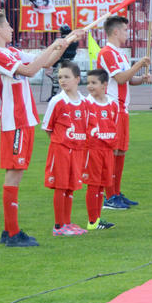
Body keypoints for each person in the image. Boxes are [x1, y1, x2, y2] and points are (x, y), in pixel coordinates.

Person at [0, 10, 79, 247]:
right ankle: (12, 233)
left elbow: (44, 62)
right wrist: (58, 44)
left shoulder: (10, 51)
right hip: (15, 121)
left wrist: (66, 42)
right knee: (14, 172)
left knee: (18, 171)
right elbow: (29, 70)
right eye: (7, 26)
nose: (11, 29)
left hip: (24, 119)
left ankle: (10, 231)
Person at [97, 15, 152, 210]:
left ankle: (116, 192)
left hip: (122, 108)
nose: (128, 33)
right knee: (112, 151)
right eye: (125, 30)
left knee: (120, 151)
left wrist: (141, 78)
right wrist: (138, 65)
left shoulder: (120, 53)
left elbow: (127, 80)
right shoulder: (107, 52)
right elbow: (120, 78)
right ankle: (109, 196)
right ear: (115, 32)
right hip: (112, 107)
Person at [41, 61, 90, 236]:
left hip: (77, 151)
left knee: (71, 186)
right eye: (60, 77)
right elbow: (48, 127)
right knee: (61, 186)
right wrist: (60, 142)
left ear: (77, 79)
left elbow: (85, 126)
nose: (62, 80)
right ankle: (58, 226)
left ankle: (67, 222)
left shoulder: (84, 103)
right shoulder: (57, 101)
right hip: (61, 150)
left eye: (66, 77)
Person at [83, 68, 118, 230]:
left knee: (103, 184)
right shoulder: (86, 104)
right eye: (88, 82)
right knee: (93, 184)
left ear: (105, 85)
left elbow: (114, 124)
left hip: (107, 150)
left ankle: (97, 219)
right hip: (93, 149)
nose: (90, 86)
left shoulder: (112, 103)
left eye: (94, 83)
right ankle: (92, 221)